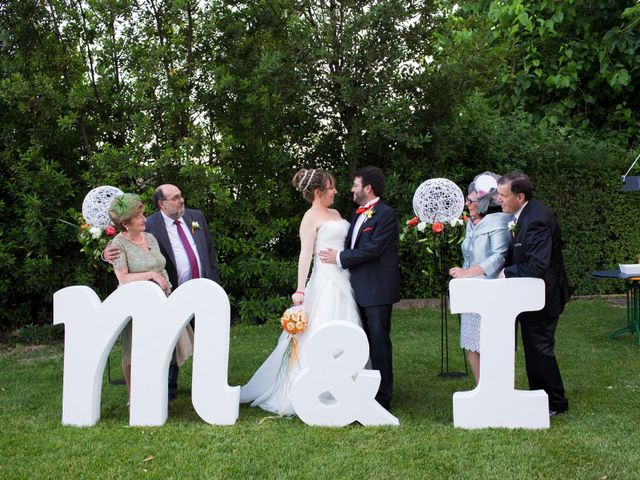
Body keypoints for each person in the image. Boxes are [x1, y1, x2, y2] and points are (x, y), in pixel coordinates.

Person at [240, 168, 363, 416]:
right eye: (331, 188)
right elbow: (305, 254)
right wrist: (300, 289)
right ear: (318, 192)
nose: (336, 191)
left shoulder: (336, 213)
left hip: (344, 278)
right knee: (321, 329)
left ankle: (347, 384)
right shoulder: (309, 218)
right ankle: (313, 389)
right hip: (324, 282)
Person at [104, 184, 220, 400]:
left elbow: (208, 250)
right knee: (156, 346)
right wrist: (106, 254)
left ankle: (209, 386)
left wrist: (213, 280)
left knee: (203, 341)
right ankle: (163, 391)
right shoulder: (152, 224)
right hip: (154, 298)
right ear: (161, 203)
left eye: (181, 196)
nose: (181, 200)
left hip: (196, 290)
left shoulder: (196, 217)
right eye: (175, 198)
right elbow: (121, 261)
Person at [319, 166, 400, 410]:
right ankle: (362, 387)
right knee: (359, 342)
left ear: (368, 188)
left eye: (355, 185)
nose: (351, 189)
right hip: (355, 288)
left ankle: (383, 396)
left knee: (379, 342)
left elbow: (372, 249)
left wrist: (339, 257)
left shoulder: (385, 214)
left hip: (377, 289)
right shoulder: (356, 214)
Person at [496, 172, 570, 416]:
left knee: (540, 348)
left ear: (520, 196)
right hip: (529, 296)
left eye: (503, 195)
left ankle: (554, 403)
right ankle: (541, 397)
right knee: (534, 347)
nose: (499, 200)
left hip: (543, 295)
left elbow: (538, 265)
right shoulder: (523, 214)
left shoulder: (537, 219)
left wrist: (507, 272)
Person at [448, 172, 511, 384]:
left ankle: (496, 387)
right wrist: (461, 275)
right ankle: (480, 387)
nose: (467, 203)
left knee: (490, 343)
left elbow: (499, 257)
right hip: (471, 290)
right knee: (470, 343)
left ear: (484, 202)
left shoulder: (500, 222)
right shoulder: (471, 223)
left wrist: (468, 272)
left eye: (472, 200)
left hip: (491, 290)